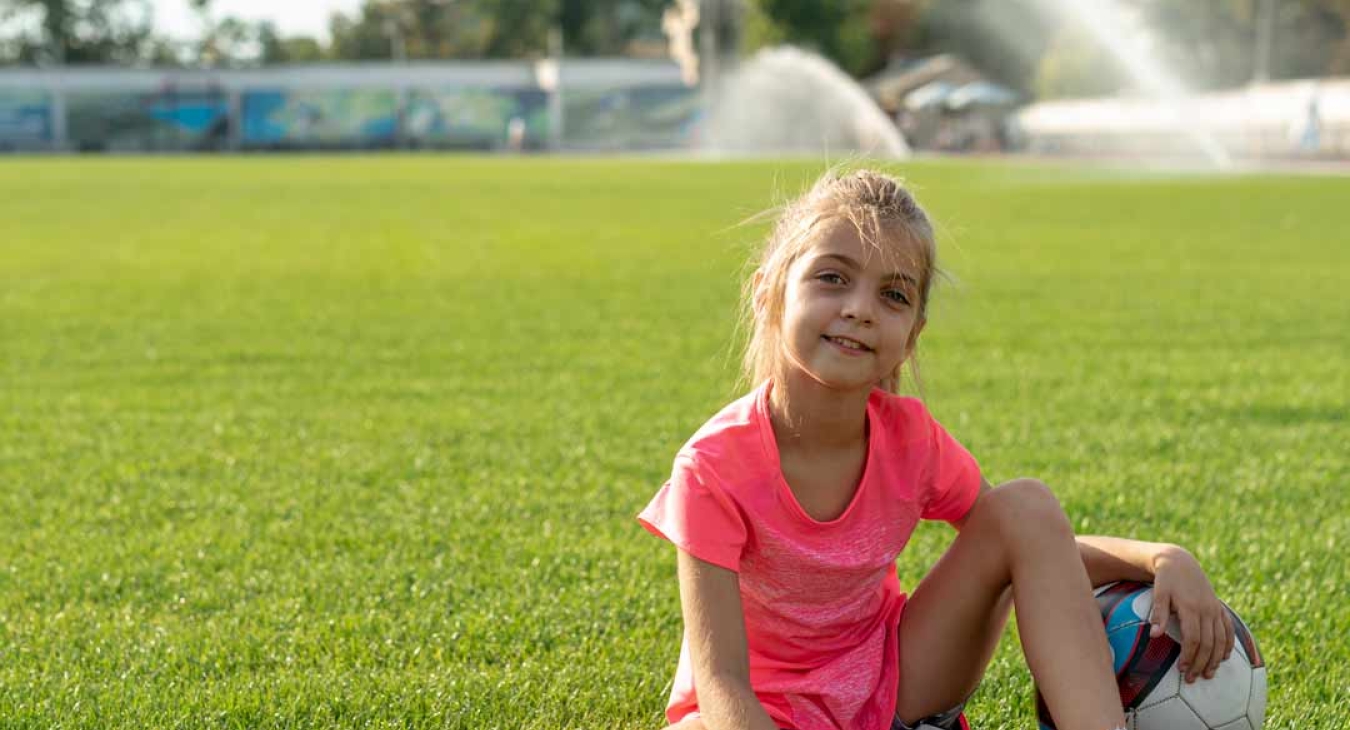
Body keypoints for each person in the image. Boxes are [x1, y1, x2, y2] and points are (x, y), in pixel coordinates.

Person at [637, 169, 1234, 730]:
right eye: (832, 277)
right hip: (762, 707)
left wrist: (1156, 558)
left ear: (913, 332)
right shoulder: (712, 469)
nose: (859, 310)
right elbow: (720, 682)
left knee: (1023, 504)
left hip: (893, 681)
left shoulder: (911, 440)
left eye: (893, 296)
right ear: (769, 291)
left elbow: (1032, 545)